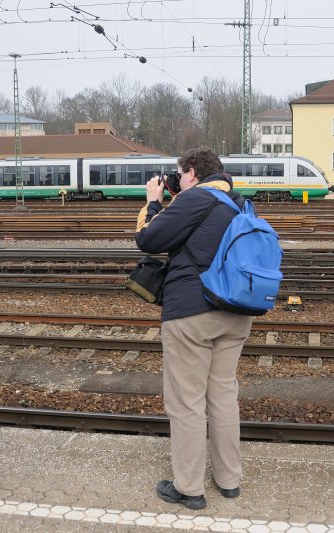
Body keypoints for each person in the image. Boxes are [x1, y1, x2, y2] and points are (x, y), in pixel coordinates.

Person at [135, 146, 253, 510]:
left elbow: (148, 240)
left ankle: (189, 487)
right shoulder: (240, 203)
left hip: (192, 312)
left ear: (192, 172)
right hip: (236, 312)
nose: (176, 181)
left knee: (187, 402)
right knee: (222, 395)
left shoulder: (196, 197)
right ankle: (228, 480)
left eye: (179, 175)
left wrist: (154, 202)